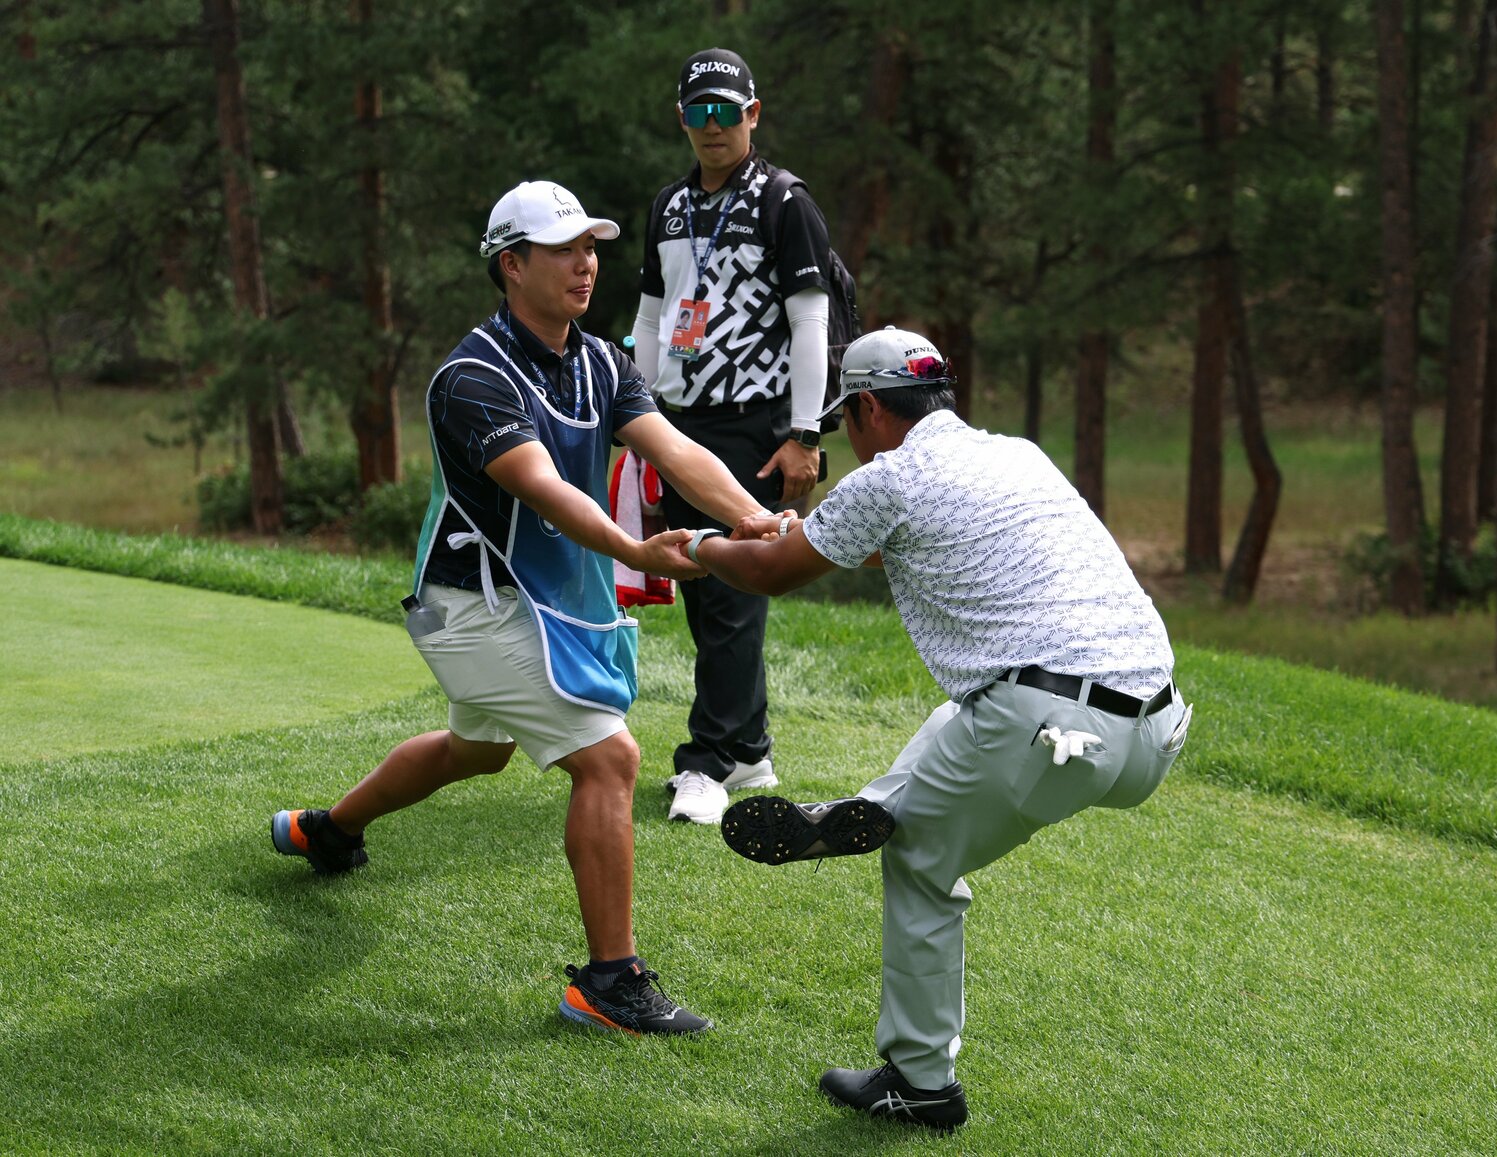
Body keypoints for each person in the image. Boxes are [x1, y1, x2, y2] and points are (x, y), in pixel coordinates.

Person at [271, 179, 769, 1036]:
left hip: (535, 605)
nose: (587, 263)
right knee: (610, 759)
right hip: (470, 603)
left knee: (478, 749)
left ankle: (327, 829)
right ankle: (608, 983)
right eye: (565, 249)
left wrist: (754, 519)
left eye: (593, 247)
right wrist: (632, 550)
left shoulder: (604, 361)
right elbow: (540, 489)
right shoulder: (470, 376)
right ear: (512, 264)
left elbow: (676, 449)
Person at [684, 327, 1193, 1129]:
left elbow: (772, 576)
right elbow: (879, 546)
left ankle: (920, 1082)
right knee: (958, 714)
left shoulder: (891, 477)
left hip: (1047, 728)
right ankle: (872, 800)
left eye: (849, 419)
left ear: (871, 410)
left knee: (921, 859)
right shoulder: (1017, 454)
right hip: (1154, 730)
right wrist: (788, 531)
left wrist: (699, 546)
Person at [631, 46, 835, 825]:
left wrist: (805, 433)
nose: (712, 127)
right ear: (681, 119)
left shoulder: (786, 201)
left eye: (727, 111)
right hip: (681, 419)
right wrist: (637, 411)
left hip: (756, 420)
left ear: (753, 115)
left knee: (731, 591)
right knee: (705, 586)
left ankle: (710, 759)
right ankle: (748, 748)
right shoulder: (668, 206)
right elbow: (653, 316)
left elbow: (809, 322)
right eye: (698, 112)